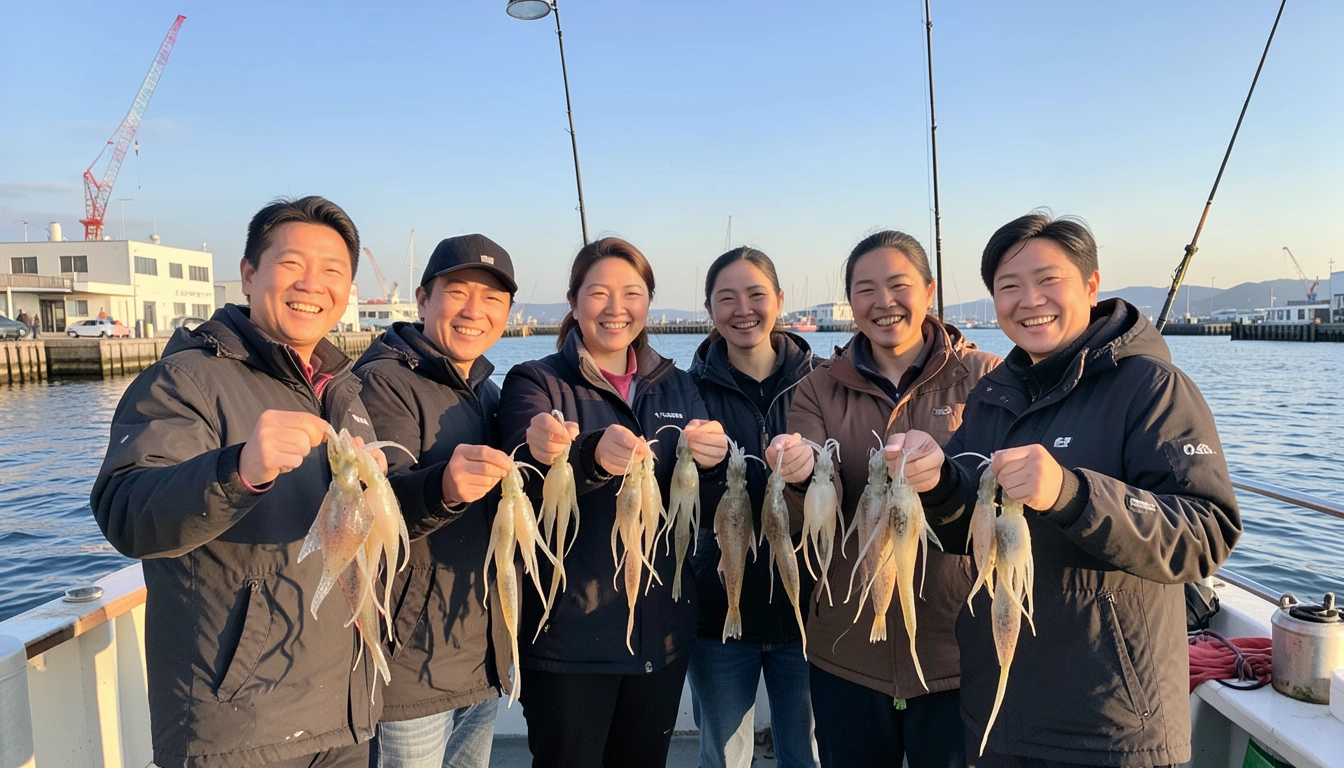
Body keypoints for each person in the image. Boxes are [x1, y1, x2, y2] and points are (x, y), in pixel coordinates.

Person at [890, 213, 1242, 767]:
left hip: (1110, 726)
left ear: (1092, 285)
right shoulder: (991, 396)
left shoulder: (1152, 389)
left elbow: (1204, 531)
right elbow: (965, 532)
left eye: (1048, 280)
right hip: (996, 712)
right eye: (1009, 286)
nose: (1030, 300)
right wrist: (939, 482)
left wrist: (1071, 492)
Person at [91, 196, 384, 768]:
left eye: (333, 272)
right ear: (249, 274)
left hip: (344, 714)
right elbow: (128, 511)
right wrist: (238, 468)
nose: (312, 284)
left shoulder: (343, 390)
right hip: (239, 729)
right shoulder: (185, 379)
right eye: (292, 263)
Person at [497, 236, 729, 768]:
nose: (615, 308)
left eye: (632, 293)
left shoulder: (678, 385)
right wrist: (587, 453)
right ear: (574, 301)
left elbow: (702, 506)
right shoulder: (535, 380)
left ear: (649, 302)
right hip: (567, 641)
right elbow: (523, 469)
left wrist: (713, 461)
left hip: (662, 639)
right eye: (598, 293)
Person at [786, 230, 1000, 768]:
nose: (883, 302)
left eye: (898, 285)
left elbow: (1000, 493)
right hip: (846, 649)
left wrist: (945, 474)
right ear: (851, 301)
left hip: (959, 652)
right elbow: (812, 505)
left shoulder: (989, 378)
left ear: (929, 290)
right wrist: (798, 473)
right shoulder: (816, 388)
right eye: (865, 289)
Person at [354, 234, 520, 768]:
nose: (476, 311)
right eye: (458, 292)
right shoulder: (382, 383)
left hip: (480, 652)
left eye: (493, 299)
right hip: (410, 666)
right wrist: (444, 487)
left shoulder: (489, 392)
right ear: (423, 299)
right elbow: (372, 507)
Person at [685, 246, 822, 768]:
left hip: (808, 610)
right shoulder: (686, 389)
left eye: (756, 294)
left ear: (780, 300)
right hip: (717, 613)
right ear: (710, 309)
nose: (743, 309)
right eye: (726, 298)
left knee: (804, 753)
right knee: (721, 755)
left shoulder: (824, 383)